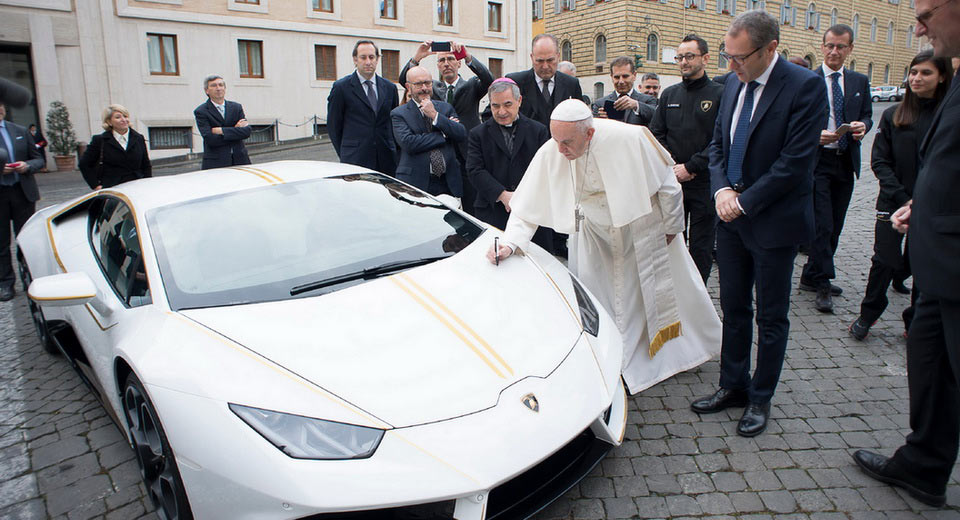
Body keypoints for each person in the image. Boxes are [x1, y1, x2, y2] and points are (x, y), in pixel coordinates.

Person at [487, 99, 721, 394]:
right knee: (598, 300)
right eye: (556, 140)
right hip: (594, 235)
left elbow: (669, 186)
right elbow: (526, 205)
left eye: (567, 143)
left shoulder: (631, 139)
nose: (560, 151)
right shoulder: (555, 148)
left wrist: (672, 228)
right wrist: (510, 243)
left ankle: (663, 358)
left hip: (640, 229)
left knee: (643, 299)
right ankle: (610, 359)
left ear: (590, 133)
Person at [692, 11, 827, 437]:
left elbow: (795, 164)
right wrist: (720, 193)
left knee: (771, 317)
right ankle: (732, 384)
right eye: (726, 57)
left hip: (772, 223)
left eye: (739, 57)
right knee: (734, 308)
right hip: (730, 219)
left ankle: (760, 397)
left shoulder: (805, 87)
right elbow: (716, 147)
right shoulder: (732, 82)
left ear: (771, 49)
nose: (730, 66)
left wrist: (743, 201)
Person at [852, 0, 960, 507]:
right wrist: (923, 204)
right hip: (938, 267)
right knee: (930, 364)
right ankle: (923, 464)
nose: (918, 25)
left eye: (928, 11)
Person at [849, 51, 952, 341]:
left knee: (921, 265)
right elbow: (880, 161)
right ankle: (868, 314)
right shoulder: (894, 114)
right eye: (913, 72)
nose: (917, 78)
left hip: (933, 206)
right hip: (892, 202)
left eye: (926, 73)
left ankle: (915, 320)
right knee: (885, 261)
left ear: (942, 76)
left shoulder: (947, 115)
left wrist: (921, 200)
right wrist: (903, 197)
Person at [798, 24, 873, 313]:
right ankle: (824, 283)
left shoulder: (858, 81)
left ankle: (810, 274)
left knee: (836, 225)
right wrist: (814, 134)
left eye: (840, 46)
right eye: (829, 45)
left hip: (845, 160)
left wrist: (863, 125)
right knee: (822, 224)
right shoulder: (807, 80)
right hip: (817, 162)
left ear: (850, 49)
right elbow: (796, 121)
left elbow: (867, 114)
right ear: (822, 46)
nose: (834, 51)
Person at [650, 35, 725, 283]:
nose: (684, 61)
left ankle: (698, 294)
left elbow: (720, 139)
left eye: (689, 56)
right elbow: (656, 133)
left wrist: (692, 166)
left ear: (705, 58)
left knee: (701, 247)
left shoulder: (719, 94)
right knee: (672, 241)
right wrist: (673, 165)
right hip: (672, 183)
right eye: (680, 57)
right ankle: (676, 291)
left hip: (704, 183)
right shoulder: (670, 95)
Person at [399, 41, 493, 215]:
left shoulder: (472, 85)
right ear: (437, 66)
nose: (447, 64)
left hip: (467, 151)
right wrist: (417, 57)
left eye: (451, 59)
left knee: (471, 202)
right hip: (442, 153)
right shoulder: (431, 87)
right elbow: (406, 79)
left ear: (458, 63)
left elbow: (489, 80)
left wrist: (467, 56)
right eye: (442, 61)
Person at [466, 78, 553, 252]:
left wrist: (522, 196)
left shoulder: (538, 131)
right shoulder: (478, 134)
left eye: (507, 104)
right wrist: (503, 195)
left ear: (519, 101)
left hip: (532, 211)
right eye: (495, 106)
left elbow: (545, 170)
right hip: (492, 211)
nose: (501, 111)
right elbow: (474, 170)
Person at [391, 66, 466, 197]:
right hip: (415, 183)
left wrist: (435, 115)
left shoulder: (445, 108)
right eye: (419, 84)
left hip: (448, 182)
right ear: (409, 87)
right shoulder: (399, 113)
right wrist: (443, 134)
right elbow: (409, 143)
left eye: (427, 83)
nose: (424, 88)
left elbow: (460, 133)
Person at [327, 40, 399, 175]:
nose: (368, 62)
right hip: (355, 159)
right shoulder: (341, 88)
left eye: (372, 57)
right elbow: (333, 126)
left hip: (386, 159)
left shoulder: (389, 88)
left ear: (377, 59)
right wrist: (346, 153)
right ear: (355, 59)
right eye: (363, 57)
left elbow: (393, 123)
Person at [0, 102, 44, 302]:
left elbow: (38, 159)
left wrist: (28, 165)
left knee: (26, 238)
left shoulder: (19, 131)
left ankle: (30, 279)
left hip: (22, 192)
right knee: (1, 242)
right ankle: (5, 283)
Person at [506, 34, 584, 133]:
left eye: (550, 60)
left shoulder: (571, 84)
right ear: (532, 57)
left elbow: (581, 117)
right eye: (540, 61)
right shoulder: (515, 82)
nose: (545, 66)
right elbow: (492, 115)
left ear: (558, 56)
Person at [79, 104, 152, 190]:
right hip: (113, 190)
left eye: (125, 116)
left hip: (137, 187)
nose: (124, 120)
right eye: (118, 117)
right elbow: (84, 164)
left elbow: (146, 165)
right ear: (109, 122)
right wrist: (95, 186)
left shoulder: (138, 138)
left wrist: (147, 183)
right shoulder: (100, 140)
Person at [193, 75, 251, 170]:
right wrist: (236, 131)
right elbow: (210, 139)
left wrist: (221, 131)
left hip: (241, 160)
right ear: (206, 91)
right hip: (216, 163)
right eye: (214, 85)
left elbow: (246, 132)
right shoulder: (201, 111)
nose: (218, 88)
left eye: (221, 85)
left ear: (225, 88)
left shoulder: (236, 107)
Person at [590, 57, 657, 126]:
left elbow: (656, 118)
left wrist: (636, 105)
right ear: (611, 77)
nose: (621, 81)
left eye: (625, 76)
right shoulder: (600, 104)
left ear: (634, 75)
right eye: (617, 77)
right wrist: (602, 121)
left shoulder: (647, 100)